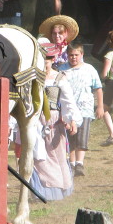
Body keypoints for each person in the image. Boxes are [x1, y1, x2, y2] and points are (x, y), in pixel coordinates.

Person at [29, 41, 82, 201]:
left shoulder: (59, 78)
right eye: (42, 59)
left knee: (55, 155)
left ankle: (57, 189)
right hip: (35, 118)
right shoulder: (33, 77)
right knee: (38, 156)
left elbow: (68, 101)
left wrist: (71, 119)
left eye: (47, 60)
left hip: (53, 119)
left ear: (52, 60)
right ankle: (41, 191)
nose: (44, 63)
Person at [57, 42, 103, 177]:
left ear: (82, 55)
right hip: (68, 110)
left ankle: (79, 163)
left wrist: (99, 106)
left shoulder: (89, 69)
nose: (73, 58)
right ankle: (71, 164)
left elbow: (98, 88)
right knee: (70, 138)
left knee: (82, 138)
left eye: (76, 55)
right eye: (71, 55)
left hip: (85, 109)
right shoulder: (61, 70)